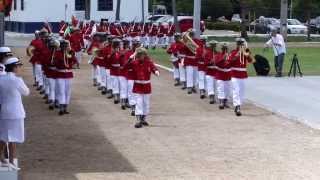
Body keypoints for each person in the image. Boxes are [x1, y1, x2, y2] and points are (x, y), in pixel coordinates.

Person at [0, 57, 30, 170]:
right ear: (14, 67)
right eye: (18, 66)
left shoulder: (1, 79)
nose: (19, 68)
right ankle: (11, 161)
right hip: (16, 112)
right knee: (13, 137)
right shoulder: (17, 80)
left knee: (4, 136)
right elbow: (26, 92)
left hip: (4, 110)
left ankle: (2, 158)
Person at [125, 48, 160, 128]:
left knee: (146, 103)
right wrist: (130, 58)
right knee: (139, 102)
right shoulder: (134, 63)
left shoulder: (148, 62)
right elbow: (125, 67)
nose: (141, 56)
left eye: (142, 55)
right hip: (138, 86)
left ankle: (143, 118)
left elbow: (153, 68)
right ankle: (138, 120)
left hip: (146, 86)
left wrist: (156, 71)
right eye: (139, 55)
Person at [228, 38, 253, 116]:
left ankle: (239, 105)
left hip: (242, 74)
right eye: (239, 44)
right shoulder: (233, 52)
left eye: (242, 44)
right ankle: (237, 106)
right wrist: (237, 54)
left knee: (242, 91)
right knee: (236, 90)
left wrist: (247, 52)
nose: (240, 45)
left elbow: (251, 61)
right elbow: (230, 62)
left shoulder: (245, 52)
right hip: (234, 74)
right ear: (237, 44)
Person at [215, 43, 231, 110]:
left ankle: (226, 100)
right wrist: (222, 58)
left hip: (227, 73)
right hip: (220, 73)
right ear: (221, 49)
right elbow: (216, 63)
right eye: (223, 49)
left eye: (226, 49)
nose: (225, 50)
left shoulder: (229, 55)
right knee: (220, 88)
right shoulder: (218, 55)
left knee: (227, 88)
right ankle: (221, 101)